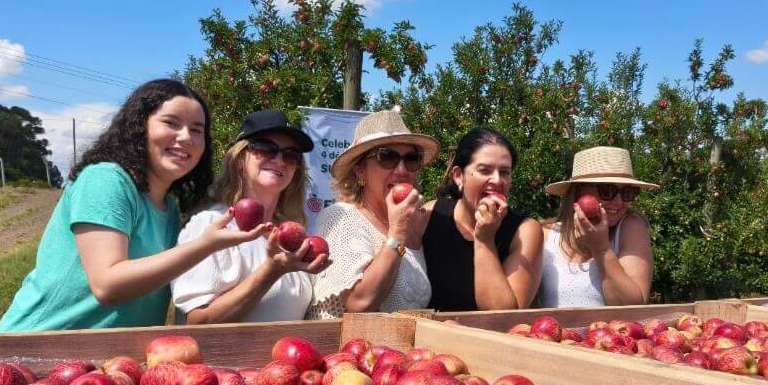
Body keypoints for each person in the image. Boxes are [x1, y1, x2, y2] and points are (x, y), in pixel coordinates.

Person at [0, 79, 255, 332]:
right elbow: (108, 285)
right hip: (37, 345)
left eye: (197, 130)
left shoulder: (170, 208)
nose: (186, 137)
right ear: (139, 126)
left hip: (108, 365)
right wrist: (205, 245)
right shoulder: (106, 179)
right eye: (171, 123)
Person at [171, 110, 329, 323]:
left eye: (291, 154)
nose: (280, 160)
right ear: (239, 159)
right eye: (265, 148)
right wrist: (271, 272)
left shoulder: (291, 234)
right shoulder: (212, 225)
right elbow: (199, 322)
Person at [307, 108, 439, 318]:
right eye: (387, 157)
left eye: (412, 158)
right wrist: (397, 233)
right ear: (360, 170)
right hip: (344, 349)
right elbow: (360, 302)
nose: (402, 170)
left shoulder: (409, 227)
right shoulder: (342, 217)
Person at [423, 128, 544, 311]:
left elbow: (503, 316)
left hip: (489, 339)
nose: (496, 180)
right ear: (458, 176)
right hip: (431, 337)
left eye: (504, 172)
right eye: (484, 170)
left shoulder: (525, 231)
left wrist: (485, 239)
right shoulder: (431, 216)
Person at [536, 146, 657, 308]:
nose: (619, 202)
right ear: (578, 191)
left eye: (628, 192)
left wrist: (601, 249)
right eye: (607, 190)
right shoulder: (545, 236)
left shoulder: (630, 227)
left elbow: (632, 309)